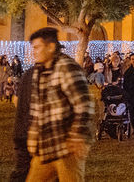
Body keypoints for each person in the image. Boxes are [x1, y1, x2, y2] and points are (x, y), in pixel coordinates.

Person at [25, 26, 95, 181]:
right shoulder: (39, 71)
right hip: (48, 145)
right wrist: (33, 136)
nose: (33, 51)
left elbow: (84, 104)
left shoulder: (66, 67)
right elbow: (38, 109)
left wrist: (77, 135)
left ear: (50, 47)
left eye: (37, 47)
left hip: (68, 145)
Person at [9, 64, 35, 182]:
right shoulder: (34, 74)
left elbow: (16, 100)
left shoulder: (29, 73)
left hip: (24, 133)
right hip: (28, 135)